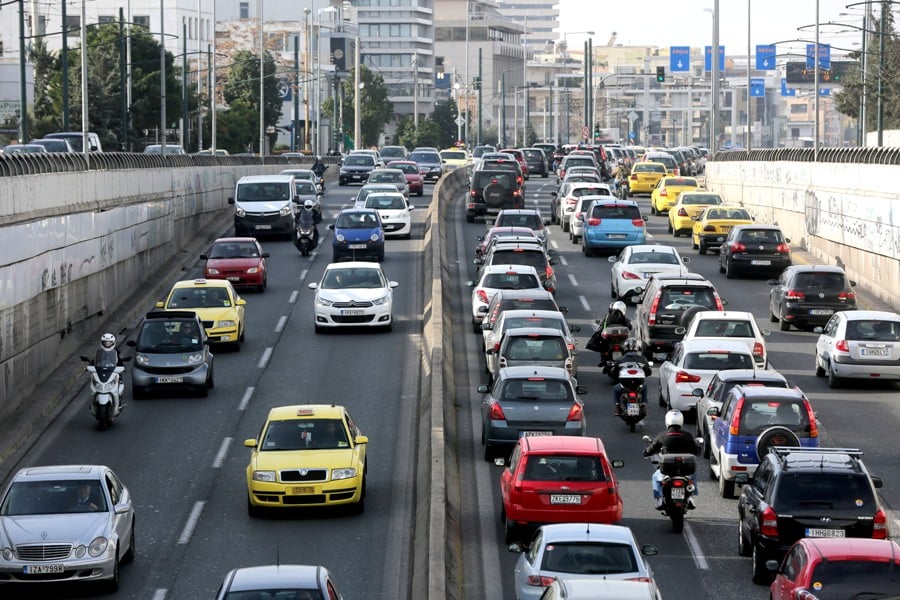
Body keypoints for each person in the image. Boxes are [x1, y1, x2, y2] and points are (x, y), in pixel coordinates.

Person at [643, 410, 701, 509]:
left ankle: (659, 498)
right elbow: (696, 451)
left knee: (655, 478)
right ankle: (691, 496)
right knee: (693, 474)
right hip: (685, 470)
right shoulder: (687, 436)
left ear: (667, 421)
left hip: (667, 470)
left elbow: (651, 449)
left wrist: (646, 452)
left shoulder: (662, 435)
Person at [609, 338, 652, 417]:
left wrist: (616, 376)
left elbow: (613, 371)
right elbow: (648, 372)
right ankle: (643, 405)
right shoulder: (642, 359)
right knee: (644, 387)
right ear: (636, 347)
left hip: (625, 384)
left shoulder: (620, 359)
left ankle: (617, 407)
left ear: (625, 348)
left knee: (616, 389)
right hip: (638, 383)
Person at [592, 301, 632, 368]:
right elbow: (630, 327)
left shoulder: (608, 317)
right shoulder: (625, 319)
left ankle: (603, 359)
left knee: (602, 345)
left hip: (611, 342)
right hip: (619, 342)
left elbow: (602, 326)